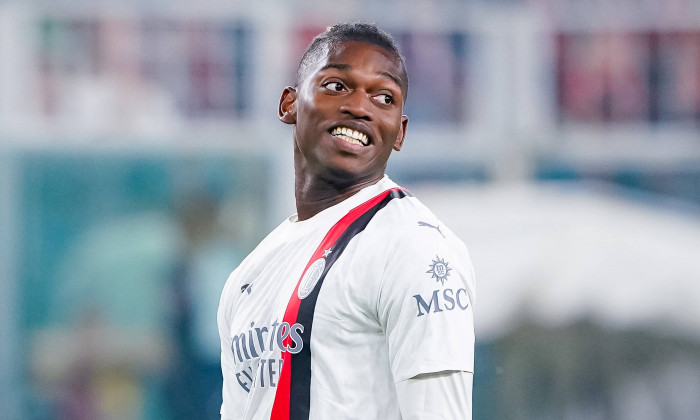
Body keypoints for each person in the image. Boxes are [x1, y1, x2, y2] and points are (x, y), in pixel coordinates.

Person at [218, 22, 475, 420]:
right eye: (337, 86)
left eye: (384, 97)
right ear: (289, 103)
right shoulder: (248, 276)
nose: (359, 106)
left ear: (400, 131)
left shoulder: (414, 248)